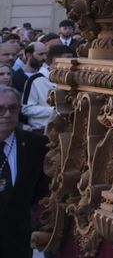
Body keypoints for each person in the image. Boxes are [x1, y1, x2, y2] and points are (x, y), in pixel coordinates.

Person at [0, 84, 51, 258]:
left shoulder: (36, 145)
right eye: (0, 109)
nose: (7, 115)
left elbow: (42, 189)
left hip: (17, 242)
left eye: (13, 108)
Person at [15, 42, 48, 132]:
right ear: (29, 55)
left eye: (46, 54)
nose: (44, 57)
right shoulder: (16, 77)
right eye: (40, 54)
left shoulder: (46, 76)